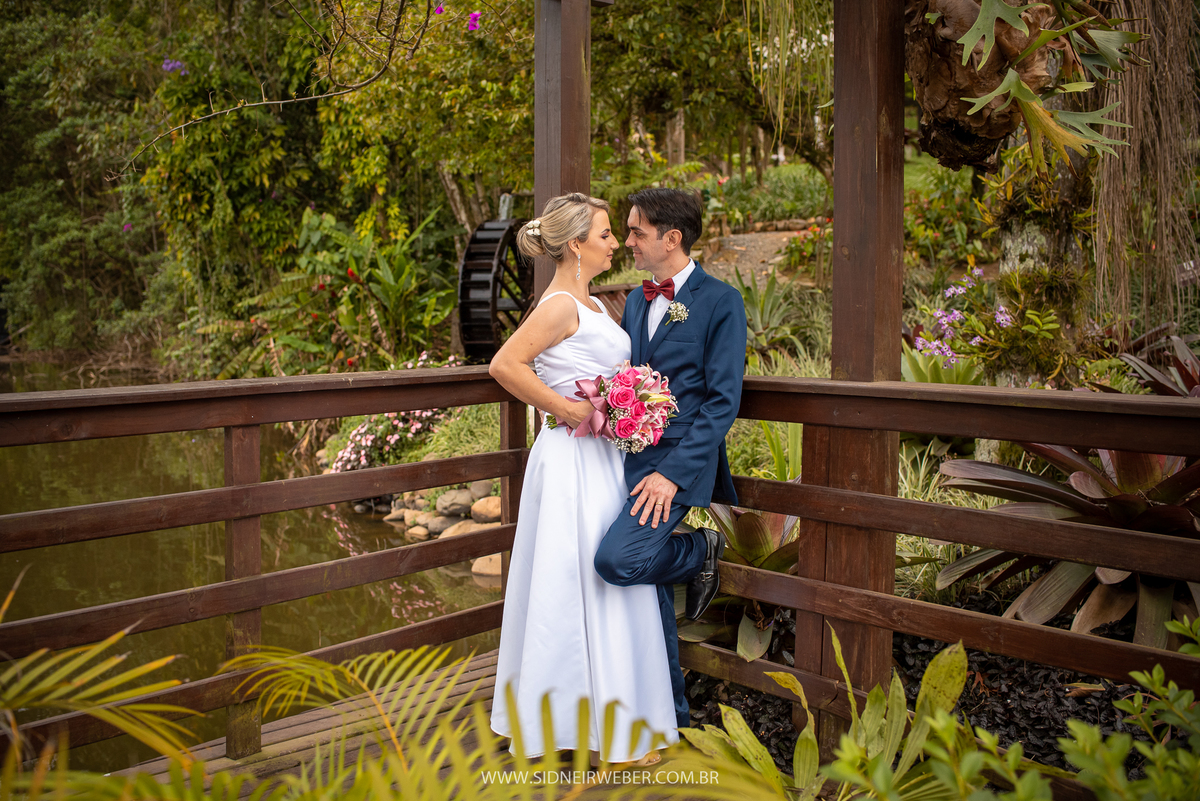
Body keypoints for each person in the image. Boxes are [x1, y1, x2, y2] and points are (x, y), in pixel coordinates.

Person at [488, 193, 678, 765]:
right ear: (575, 245)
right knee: (569, 581)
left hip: (605, 458)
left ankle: (612, 729)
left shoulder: (592, 303)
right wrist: (567, 409)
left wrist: (634, 404)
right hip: (571, 458)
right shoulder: (557, 306)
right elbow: (505, 364)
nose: (616, 242)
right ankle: (580, 729)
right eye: (605, 233)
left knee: (607, 579)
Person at [593, 187, 747, 730]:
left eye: (636, 232)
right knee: (649, 585)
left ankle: (702, 548)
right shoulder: (636, 301)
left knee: (617, 562)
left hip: (679, 465)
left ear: (671, 238)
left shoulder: (722, 302)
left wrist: (671, 475)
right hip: (629, 457)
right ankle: (672, 714)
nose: (627, 242)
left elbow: (722, 402)